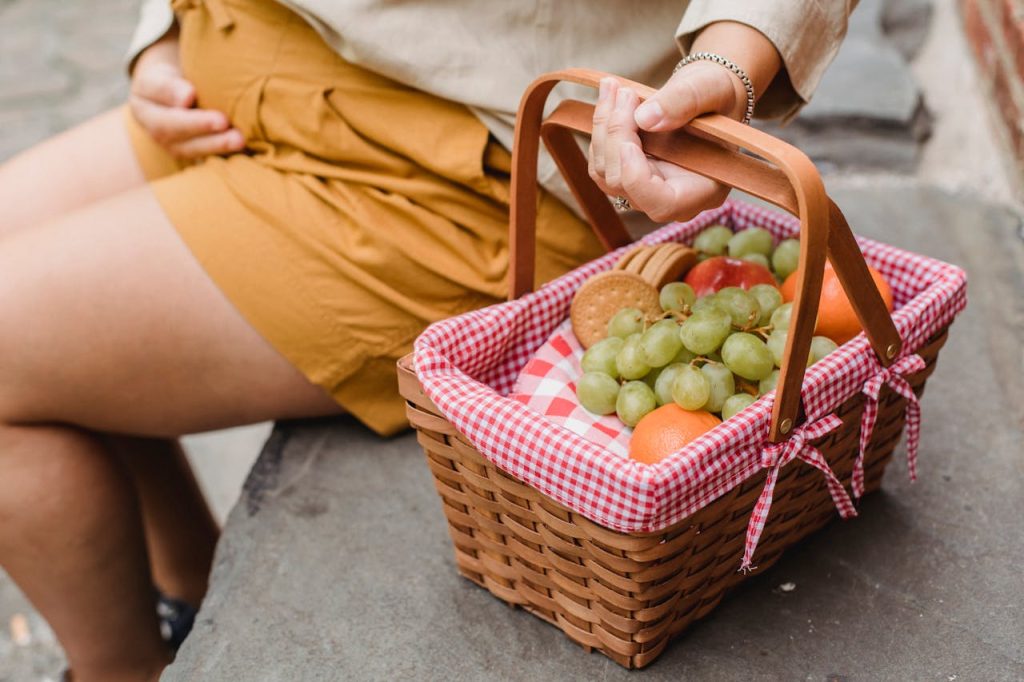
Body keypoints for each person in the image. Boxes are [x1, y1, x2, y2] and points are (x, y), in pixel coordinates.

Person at [0, 1, 855, 679]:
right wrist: (162, 33)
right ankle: (192, 594)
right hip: (239, 70)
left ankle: (123, 670)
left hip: (466, 159)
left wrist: (723, 66)